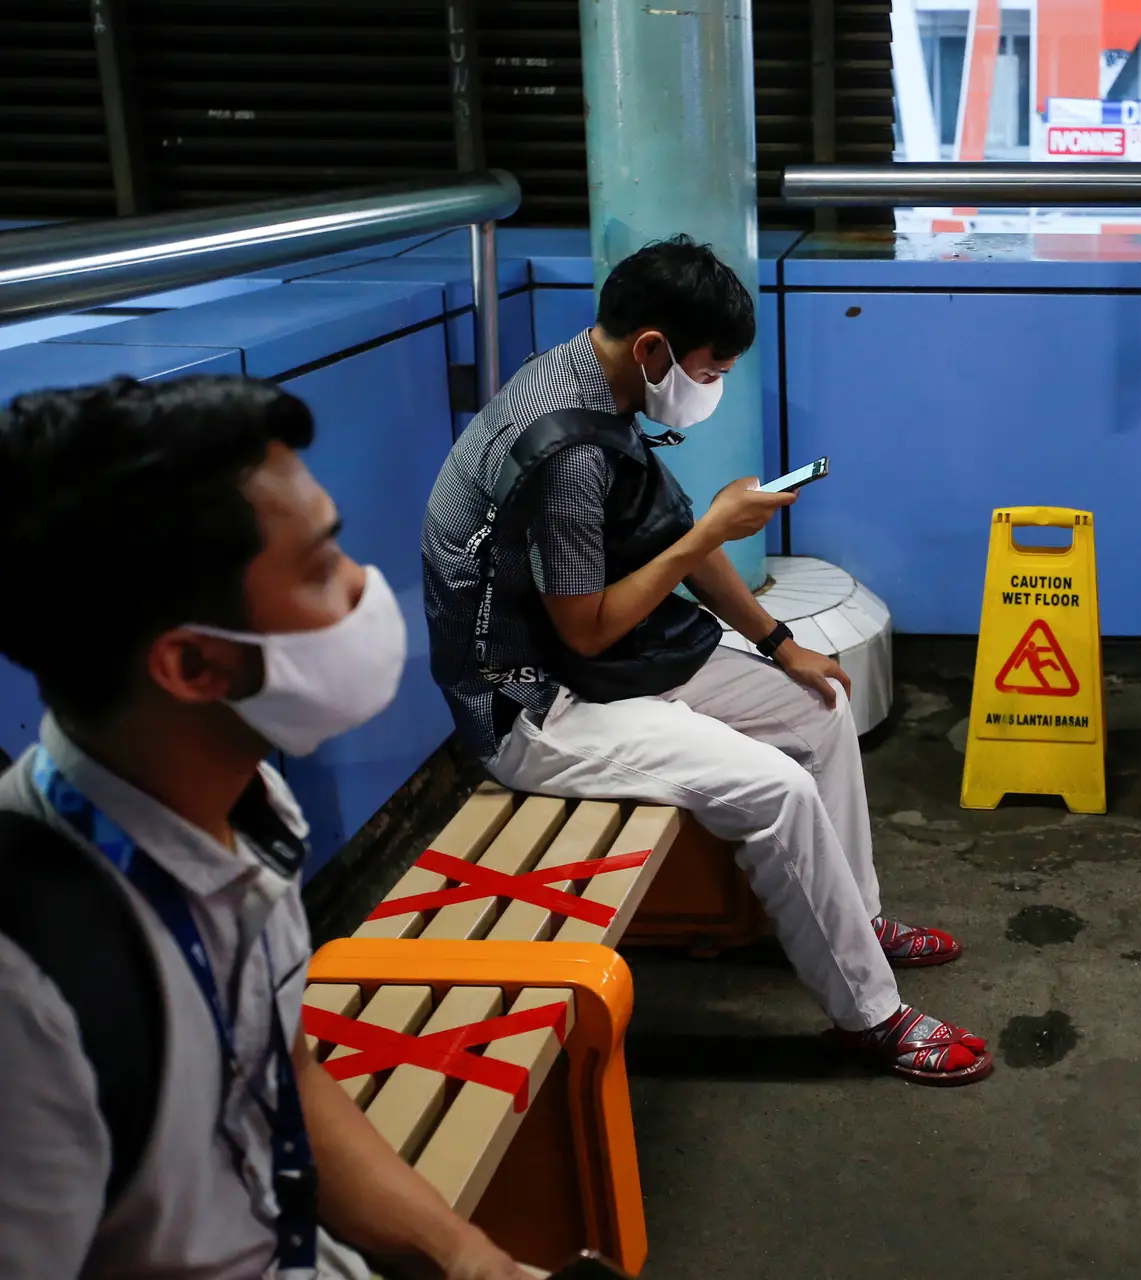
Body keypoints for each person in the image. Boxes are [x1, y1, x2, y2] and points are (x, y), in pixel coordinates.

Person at [420, 235, 992, 1085]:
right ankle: (870, 1017)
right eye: (711, 366)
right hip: (533, 704)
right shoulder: (569, 448)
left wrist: (779, 643)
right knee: (776, 788)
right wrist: (707, 534)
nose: (715, 385)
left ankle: (858, 922)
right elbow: (587, 628)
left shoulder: (596, 385)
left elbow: (670, 539)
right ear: (653, 349)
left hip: (597, 664)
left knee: (819, 709)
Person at [0, 376, 527, 1278]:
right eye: (322, 567)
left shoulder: (245, 811)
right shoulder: (32, 996)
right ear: (194, 663)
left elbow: (283, 1073)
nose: (363, 584)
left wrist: (469, 1259)